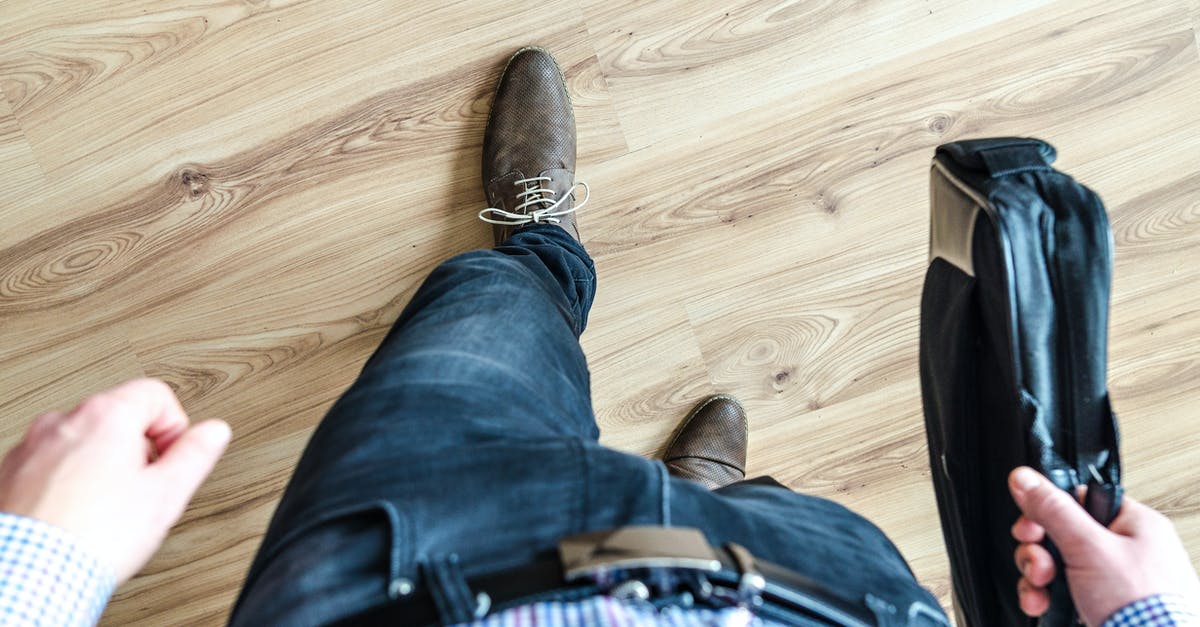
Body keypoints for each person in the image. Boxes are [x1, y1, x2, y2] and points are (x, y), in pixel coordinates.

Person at [0, 47, 1196, 627]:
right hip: (821, 600)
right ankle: (681, 471)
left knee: (471, 328)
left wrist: (43, 561)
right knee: (772, 501)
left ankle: (536, 259)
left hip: (416, 573)